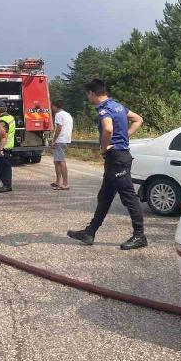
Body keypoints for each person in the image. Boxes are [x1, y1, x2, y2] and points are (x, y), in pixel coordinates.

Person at [67, 79, 147, 250]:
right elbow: (138, 119)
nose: (87, 97)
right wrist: (125, 137)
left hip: (117, 158)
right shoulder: (117, 106)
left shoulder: (104, 109)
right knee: (104, 198)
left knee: (130, 198)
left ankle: (140, 235)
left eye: (87, 94)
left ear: (91, 93)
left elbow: (108, 129)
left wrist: (104, 147)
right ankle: (89, 232)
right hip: (117, 158)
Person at [50, 100, 73, 190]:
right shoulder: (67, 114)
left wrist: (54, 140)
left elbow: (59, 128)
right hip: (66, 139)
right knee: (57, 161)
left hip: (60, 140)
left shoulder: (58, 115)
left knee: (61, 161)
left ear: (55, 106)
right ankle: (57, 181)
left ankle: (65, 184)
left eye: (52, 106)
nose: (52, 108)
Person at [0, 102, 15, 193]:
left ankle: (7, 185)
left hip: (4, 147)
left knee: (4, 168)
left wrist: (0, 149)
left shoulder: (3, 121)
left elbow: (3, 135)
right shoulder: (10, 117)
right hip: (6, 146)